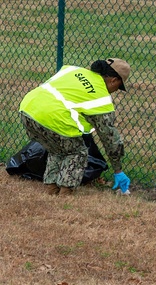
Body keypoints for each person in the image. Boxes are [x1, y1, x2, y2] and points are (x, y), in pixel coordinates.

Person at [18, 58, 131, 196]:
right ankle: (65, 193)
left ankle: (51, 189)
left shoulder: (73, 70)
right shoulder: (100, 97)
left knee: (56, 149)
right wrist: (118, 170)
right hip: (53, 118)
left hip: (28, 109)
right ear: (113, 80)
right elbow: (109, 137)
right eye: (118, 87)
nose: (115, 91)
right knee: (77, 152)